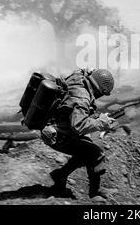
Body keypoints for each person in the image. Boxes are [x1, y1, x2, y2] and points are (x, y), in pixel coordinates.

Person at [41, 68, 115, 199]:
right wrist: (101, 123)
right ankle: (94, 192)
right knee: (96, 154)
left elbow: (72, 109)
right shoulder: (83, 97)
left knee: (87, 148)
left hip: (55, 126)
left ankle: (60, 176)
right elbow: (79, 126)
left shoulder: (78, 78)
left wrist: (95, 118)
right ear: (100, 90)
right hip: (58, 136)